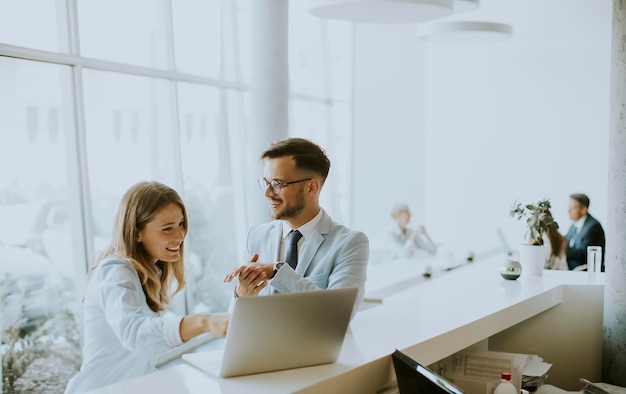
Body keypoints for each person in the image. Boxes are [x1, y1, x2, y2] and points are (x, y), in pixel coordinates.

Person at [65, 181, 229, 394]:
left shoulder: (148, 272)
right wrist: (204, 322)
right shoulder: (115, 271)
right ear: (136, 233)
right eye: (167, 228)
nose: (180, 236)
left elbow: (146, 351)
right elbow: (135, 335)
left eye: (181, 224)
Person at [223, 137, 369, 314]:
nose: (268, 193)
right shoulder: (256, 236)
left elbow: (339, 312)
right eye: (266, 183)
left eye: (277, 184)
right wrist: (241, 295)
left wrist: (278, 272)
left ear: (311, 188)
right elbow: (235, 319)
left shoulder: (350, 243)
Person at [565, 193, 606, 271]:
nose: (568, 210)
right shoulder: (573, 226)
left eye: (572, 208)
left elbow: (585, 256)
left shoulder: (593, 227)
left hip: (585, 271)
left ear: (583, 210)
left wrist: (562, 250)